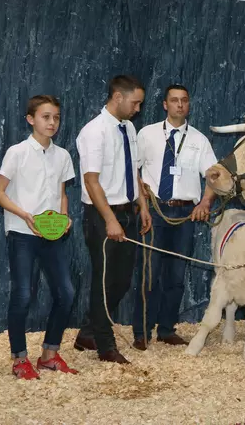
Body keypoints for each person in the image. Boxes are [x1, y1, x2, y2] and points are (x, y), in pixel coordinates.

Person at [0, 95, 78, 379]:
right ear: (31, 119)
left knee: (66, 293)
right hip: (21, 233)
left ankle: (49, 355)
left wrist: (64, 218)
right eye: (45, 117)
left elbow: (62, 194)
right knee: (23, 294)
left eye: (56, 117)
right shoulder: (17, 152)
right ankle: (19, 359)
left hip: (52, 235)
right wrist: (25, 214)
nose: (52, 122)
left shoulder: (63, 156)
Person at [132, 84, 219, 350]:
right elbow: (132, 171)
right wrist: (142, 200)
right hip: (155, 211)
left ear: (188, 105)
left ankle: (167, 329)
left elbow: (214, 175)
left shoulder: (199, 140)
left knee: (177, 276)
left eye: (184, 101)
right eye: (174, 100)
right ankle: (142, 331)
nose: (179, 105)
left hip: (185, 215)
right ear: (165, 105)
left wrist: (205, 202)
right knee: (150, 273)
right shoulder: (146, 134)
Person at [73, 75, 152, 364]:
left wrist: (142, 206)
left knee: (122, 281)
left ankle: (88, 332)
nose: (138, 109)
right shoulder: (94, 132)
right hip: (102, 215)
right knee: (104, 281)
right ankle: (105, 347)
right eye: (135, 102)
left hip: (128, 211)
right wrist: (110, 220)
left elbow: (135, 172)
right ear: (117, 97)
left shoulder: (128, 128)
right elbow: (91, 182)